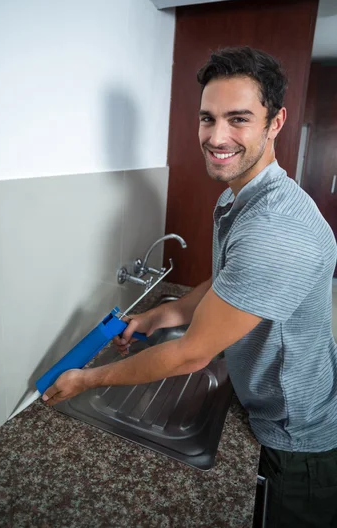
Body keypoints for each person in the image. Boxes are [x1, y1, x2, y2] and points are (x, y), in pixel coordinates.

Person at [42, 46, 337, 527]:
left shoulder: (276, 227)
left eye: (238, 119)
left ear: (276, 122)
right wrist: (158, 316)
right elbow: (225, 285)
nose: (217, 137)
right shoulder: (239, 196)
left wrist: (86, 380)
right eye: (208, 118)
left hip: (298, 439)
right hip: (270, 401)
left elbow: (192, 355)